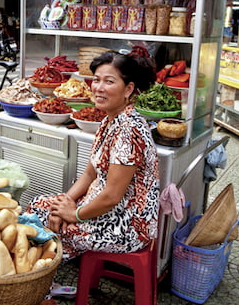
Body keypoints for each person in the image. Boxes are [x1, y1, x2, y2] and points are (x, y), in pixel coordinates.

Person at [26, 51, 160, 261]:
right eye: (96, 80)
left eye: (109, 81)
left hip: (127, 223)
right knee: (39, 207)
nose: (99, 87)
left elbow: (112, 196)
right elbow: (89, 174)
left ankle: (43, 282)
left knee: (47, 227)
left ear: (129, 89)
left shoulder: (129, 130)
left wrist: (74, 214)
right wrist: (64, 204)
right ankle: (43, 276)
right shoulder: (109, 120)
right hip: (101, 207)